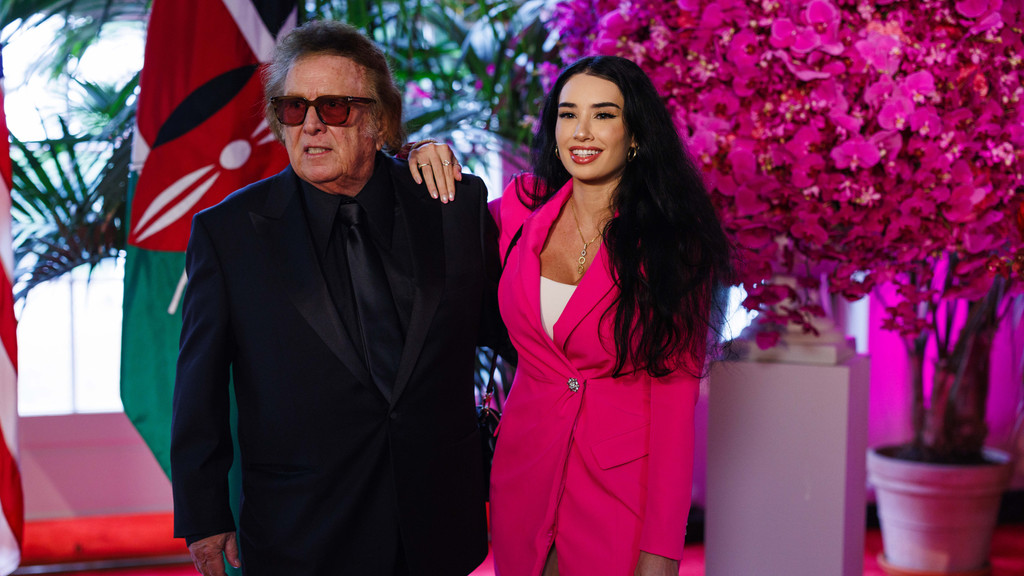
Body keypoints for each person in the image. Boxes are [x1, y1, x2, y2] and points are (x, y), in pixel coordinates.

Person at [170, 20, 504, 576]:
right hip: (300, 529)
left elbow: (510, 333)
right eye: (294, 108)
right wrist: (204, 512)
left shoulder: (453, 205)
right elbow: (198, 387)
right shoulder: (228, 233)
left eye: (335, 108)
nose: (312, 126)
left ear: (378, 120)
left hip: (438, 522)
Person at [480, 56, 732, 576]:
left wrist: (661, 550)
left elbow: (674, 403)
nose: (582, 131)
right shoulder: (519, 210)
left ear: (635, 135)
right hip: (523, 472)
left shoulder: (674, 248)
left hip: (620, 492)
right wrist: (418, 153)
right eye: (569, 115)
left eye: (604, 115)